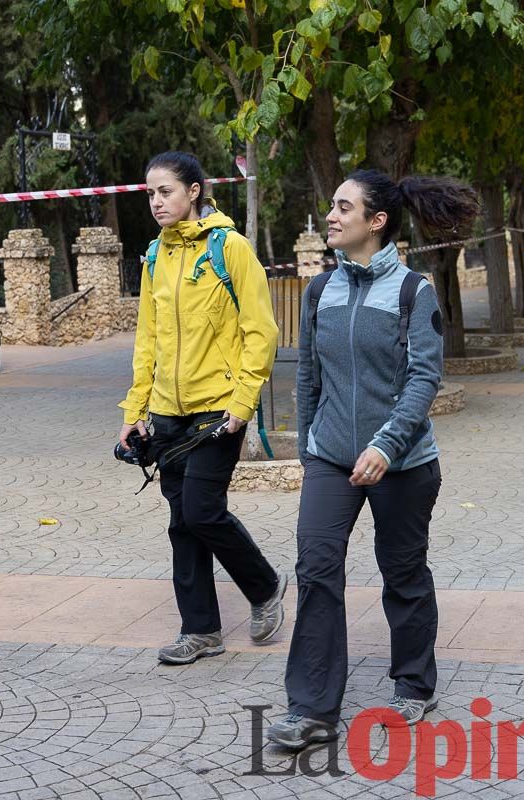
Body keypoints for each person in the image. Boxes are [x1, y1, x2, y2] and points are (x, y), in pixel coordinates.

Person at [265, 170, 476, 750]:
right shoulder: (319, 291)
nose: (330, 215)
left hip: (403, 463)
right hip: (331, 459)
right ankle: (311, 708)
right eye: (331, 204)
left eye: (343, 207)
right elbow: (308, 373)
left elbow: (423, 378)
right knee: (316, 571)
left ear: (376, 222)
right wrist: (311, 446)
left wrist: (387, 445)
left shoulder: (413, 291)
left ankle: (413, 681)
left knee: (403, 573)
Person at [118, 151, 285, 666]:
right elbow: (148, 337)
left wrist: (243, 402)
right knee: (181, 521)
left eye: (165, 191)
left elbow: (262, 331)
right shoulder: (153, 256)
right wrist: (135, 408)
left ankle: (264, 587)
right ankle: (201, 631)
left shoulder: (229, 248)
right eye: (150, 193)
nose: (156, 202)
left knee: (201, 510)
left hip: (219, 409)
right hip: (167, 413)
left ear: (194, 192)